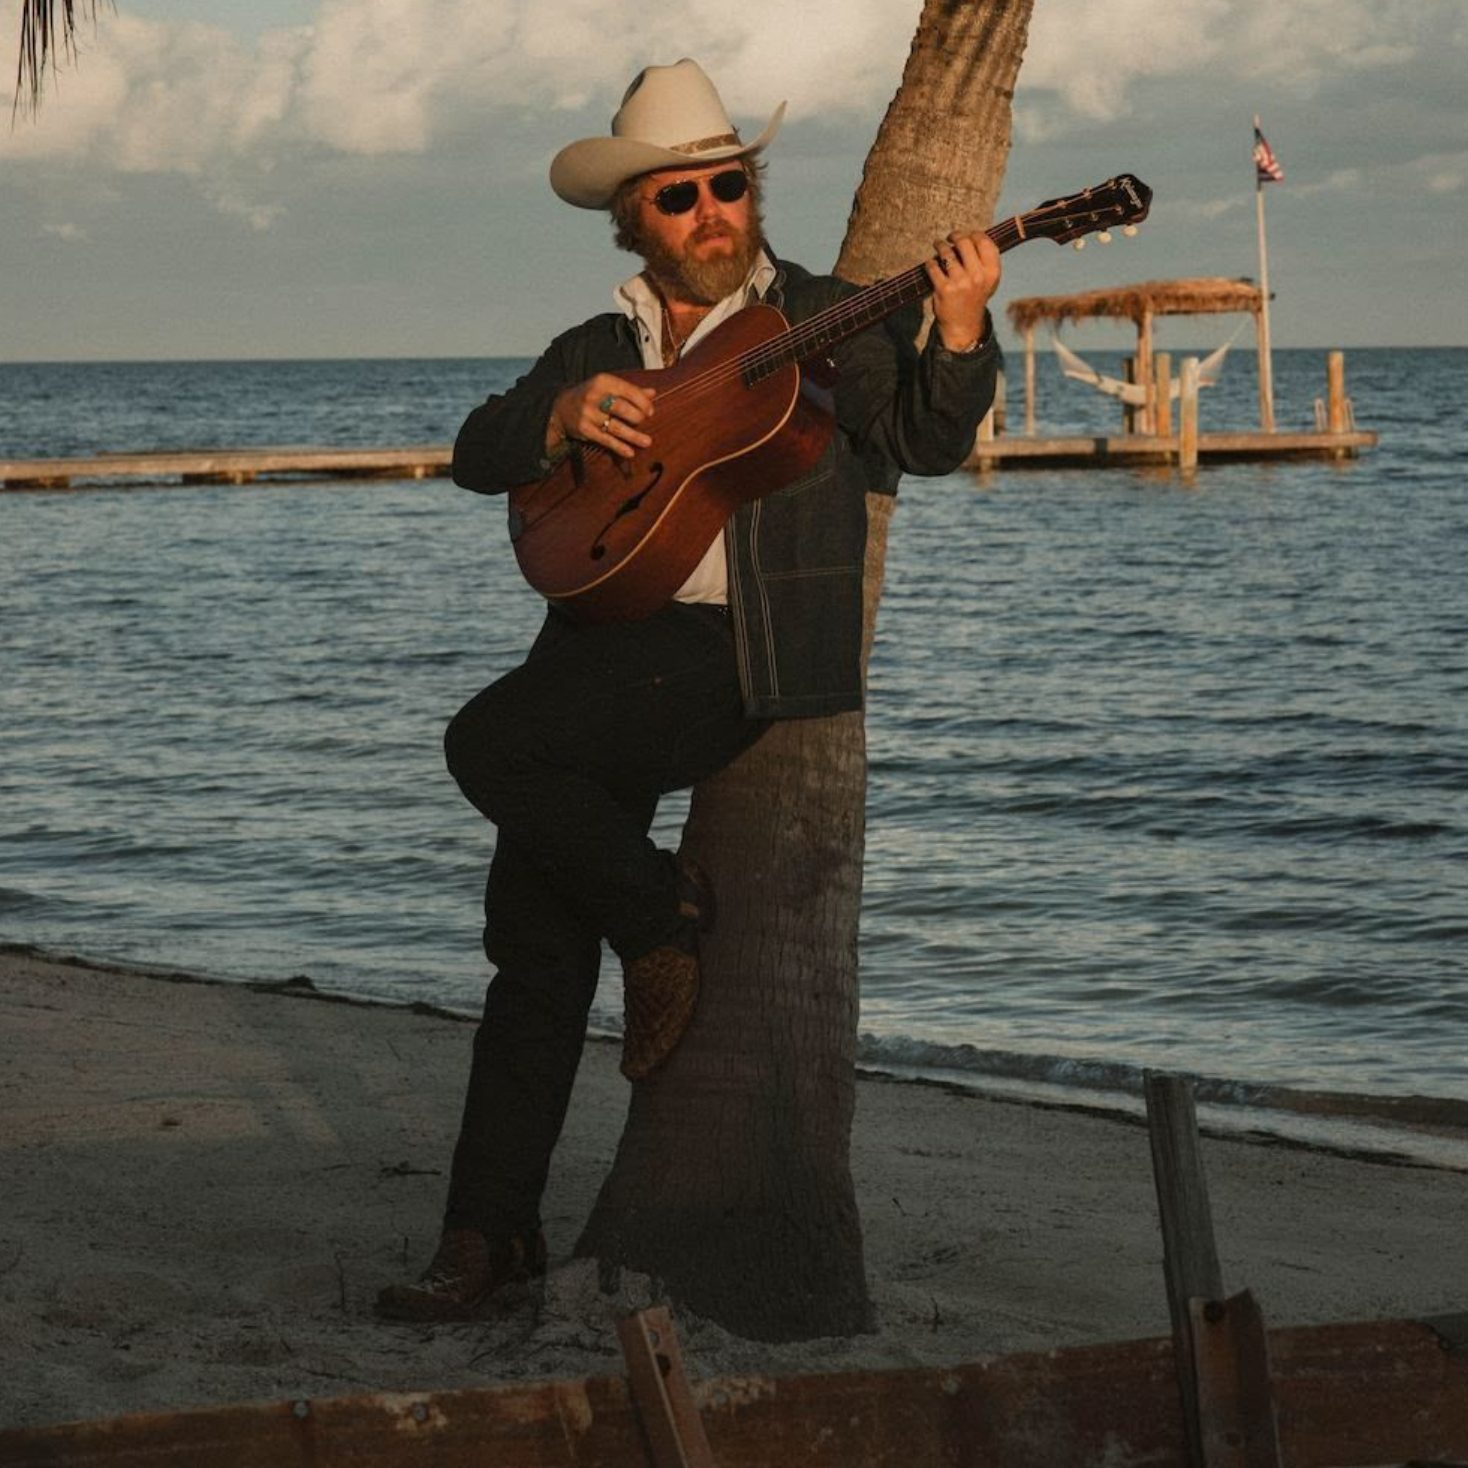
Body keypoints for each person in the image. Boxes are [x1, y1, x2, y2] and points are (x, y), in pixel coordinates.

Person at [375, 58, 1002, 1321]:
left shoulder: (829, 320)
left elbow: (926, 443)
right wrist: (560, 419)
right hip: (594, 645)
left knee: (485, 744)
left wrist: (961, 323)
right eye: (679, 197)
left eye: (728, 185)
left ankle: (663, 919)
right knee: (532, 962)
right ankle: (486, 1242)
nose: (712, 211)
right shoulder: (597, 344)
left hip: (735, 652)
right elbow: (475, 452)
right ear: (634, 222)